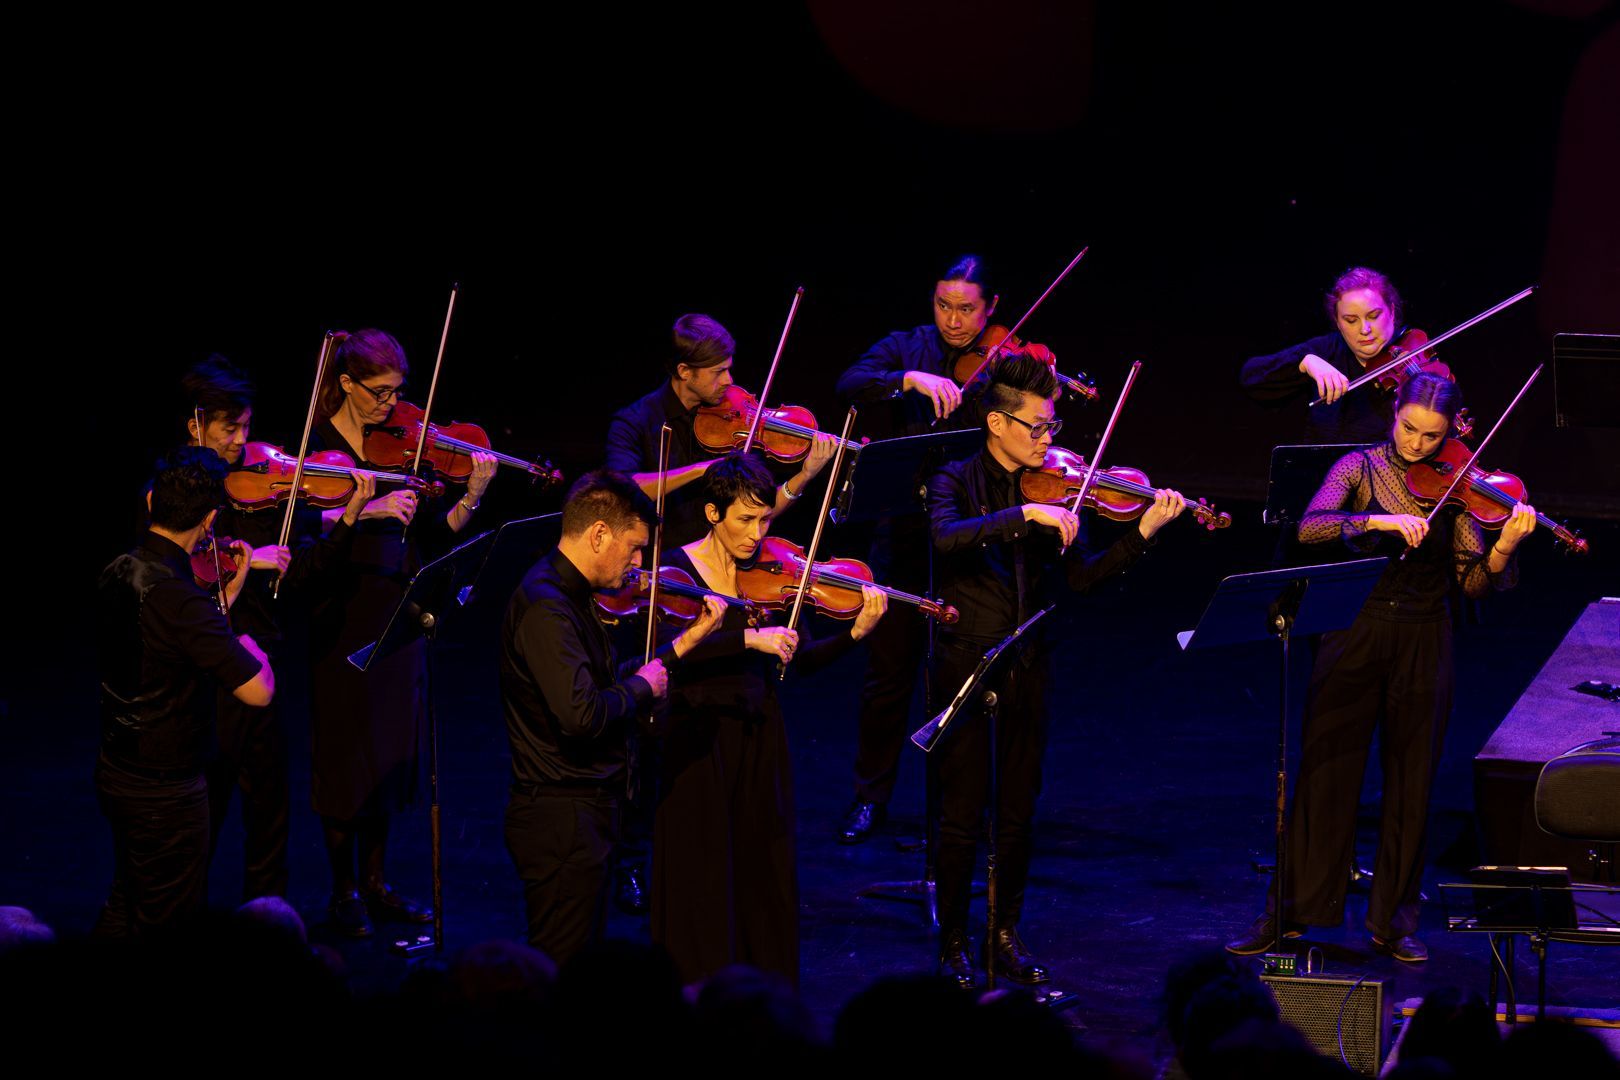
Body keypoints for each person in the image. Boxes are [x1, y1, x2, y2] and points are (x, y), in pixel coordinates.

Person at [1227, 373, 1533, 962]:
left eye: (1432, 436)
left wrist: (1503, 548)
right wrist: (1379, 522)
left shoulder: (1463, 484)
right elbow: (1312, 527)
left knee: (1411, 779)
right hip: (1355, 629)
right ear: (1395, 413)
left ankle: (1393, 921)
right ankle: (1288, 911)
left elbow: (1472, 583)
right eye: (1409, 429)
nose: (1418, 445)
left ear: (1451, 431)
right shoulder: (1360, 467)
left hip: (1425, 636)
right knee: (1324, 771)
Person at [928, 352, 1187, 987]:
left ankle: (1004, 933)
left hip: (1028, 664)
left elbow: (1084, 577)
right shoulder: (953, 480)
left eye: (1053, 428)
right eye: (1039, 427)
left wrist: (1145, 532)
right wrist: (1024, 515)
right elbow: (945, 538)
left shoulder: (1058, 489)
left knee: (1018, 810)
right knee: (962, 813)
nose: (1050, 440)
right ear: (997, 423)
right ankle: (954, 942)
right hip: (967, 666)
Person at [650, 453, 887, 985]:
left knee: (764, 872)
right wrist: (745, 637)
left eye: (763, 520)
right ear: (712, 512)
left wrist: (853, 637)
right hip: (697, 738)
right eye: (744, 520)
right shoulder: (676, 570)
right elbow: (665, 653)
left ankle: (764, 1001)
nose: (757, 533)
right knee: (701, 873)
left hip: (759, 733)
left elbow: (793, 661)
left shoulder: (765, 576)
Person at [304, 328, 498, 938]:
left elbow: (434, 538)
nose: (393, 407)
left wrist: (470, 495)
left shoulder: (403, 447)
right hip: (342, 618)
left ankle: (378, 882)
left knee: (388, 753)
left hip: (397, 612)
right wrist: (363, 511)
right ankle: (342, 892)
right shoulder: (317, 448)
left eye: (398, 393)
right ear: (346, 384)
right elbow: (308, 541)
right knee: (345, 756)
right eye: (380, 393)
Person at [499, 470, 724, 965]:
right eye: (636, 547)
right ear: (599, 534)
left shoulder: (572, 597)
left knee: (580, 960)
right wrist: (644, 688)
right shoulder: (547, 608)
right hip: (562, 817)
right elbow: (582, 715)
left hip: (585, 813)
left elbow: (605, 684)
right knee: (560, 967)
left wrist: (682, 646)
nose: (641, 564)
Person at [178, 355, 373, 901]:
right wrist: (245, 556)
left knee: (269, 807)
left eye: (246, 426)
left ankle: (266, 921)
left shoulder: (258, 487)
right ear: (195, 425)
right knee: (204, 806)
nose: (243, 440)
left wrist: (353, 514)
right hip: (202, 673)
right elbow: (175, 564)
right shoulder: (172, 489)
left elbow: (300, 571)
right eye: (229, 428)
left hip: (260, 658)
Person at [832, 254, 999, 844]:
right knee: (888, 674)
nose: (954, 321)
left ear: (992, 308)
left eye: (967, 309)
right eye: (943, 305)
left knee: (966, 680)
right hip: (903, 531)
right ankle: (870, 797)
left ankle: (961, 805)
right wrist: (907, 379)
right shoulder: (907, 346)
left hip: (975, 539)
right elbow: (849, 382)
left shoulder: (1005, 358)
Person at [94, 446, 275, 936]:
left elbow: (165, 641)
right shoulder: (180, 599)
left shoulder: (120, 567)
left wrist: (221, 601)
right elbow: (258, 691)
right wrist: (248, 643)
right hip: (164, 788)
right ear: (211, 517)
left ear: (153, 502)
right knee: (169, 920)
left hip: (117, 766)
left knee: (127, 897)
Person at [606, 313, 837, 549]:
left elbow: (759, 512)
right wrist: (699, 470)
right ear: (685, 371)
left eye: (728, 369)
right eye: (718, 372)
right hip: (666, 567)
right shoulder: (635, 421)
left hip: (725, 567)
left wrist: (804, 476)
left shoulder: (733, 420)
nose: (729, 380)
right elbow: (622, 489)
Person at [1241, 265, 1415, 445]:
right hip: (1327, 469)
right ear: (1338, 323)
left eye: (1374, 316)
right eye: (1351, 320)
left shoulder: (1414, 355)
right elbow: (1251, 377)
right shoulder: (1327, 350)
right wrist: (1305, 362)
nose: (1365, 329)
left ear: (1392, 312)